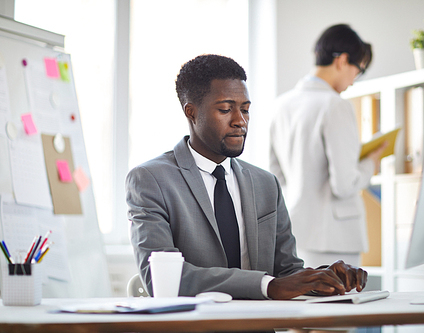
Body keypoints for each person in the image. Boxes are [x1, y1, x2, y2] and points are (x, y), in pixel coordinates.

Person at [126, 54, 367, 300]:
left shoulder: (265, 184)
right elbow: (162, 279)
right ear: (191, 112)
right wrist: (266, 286)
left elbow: (286, 273)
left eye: (245, 110)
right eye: (225, 109)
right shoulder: (150, 180)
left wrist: (324, 279)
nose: (240, 121)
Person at [269, 24, 387, 269]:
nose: (355, 80)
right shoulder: (335, 105)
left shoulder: (281, 105)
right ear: (342, 61)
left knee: (307, 304)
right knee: (340, 304)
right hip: (336, 238)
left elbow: (276, 176)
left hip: (296, 232)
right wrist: (370, 163)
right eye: (359, 70)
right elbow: (344, 186)